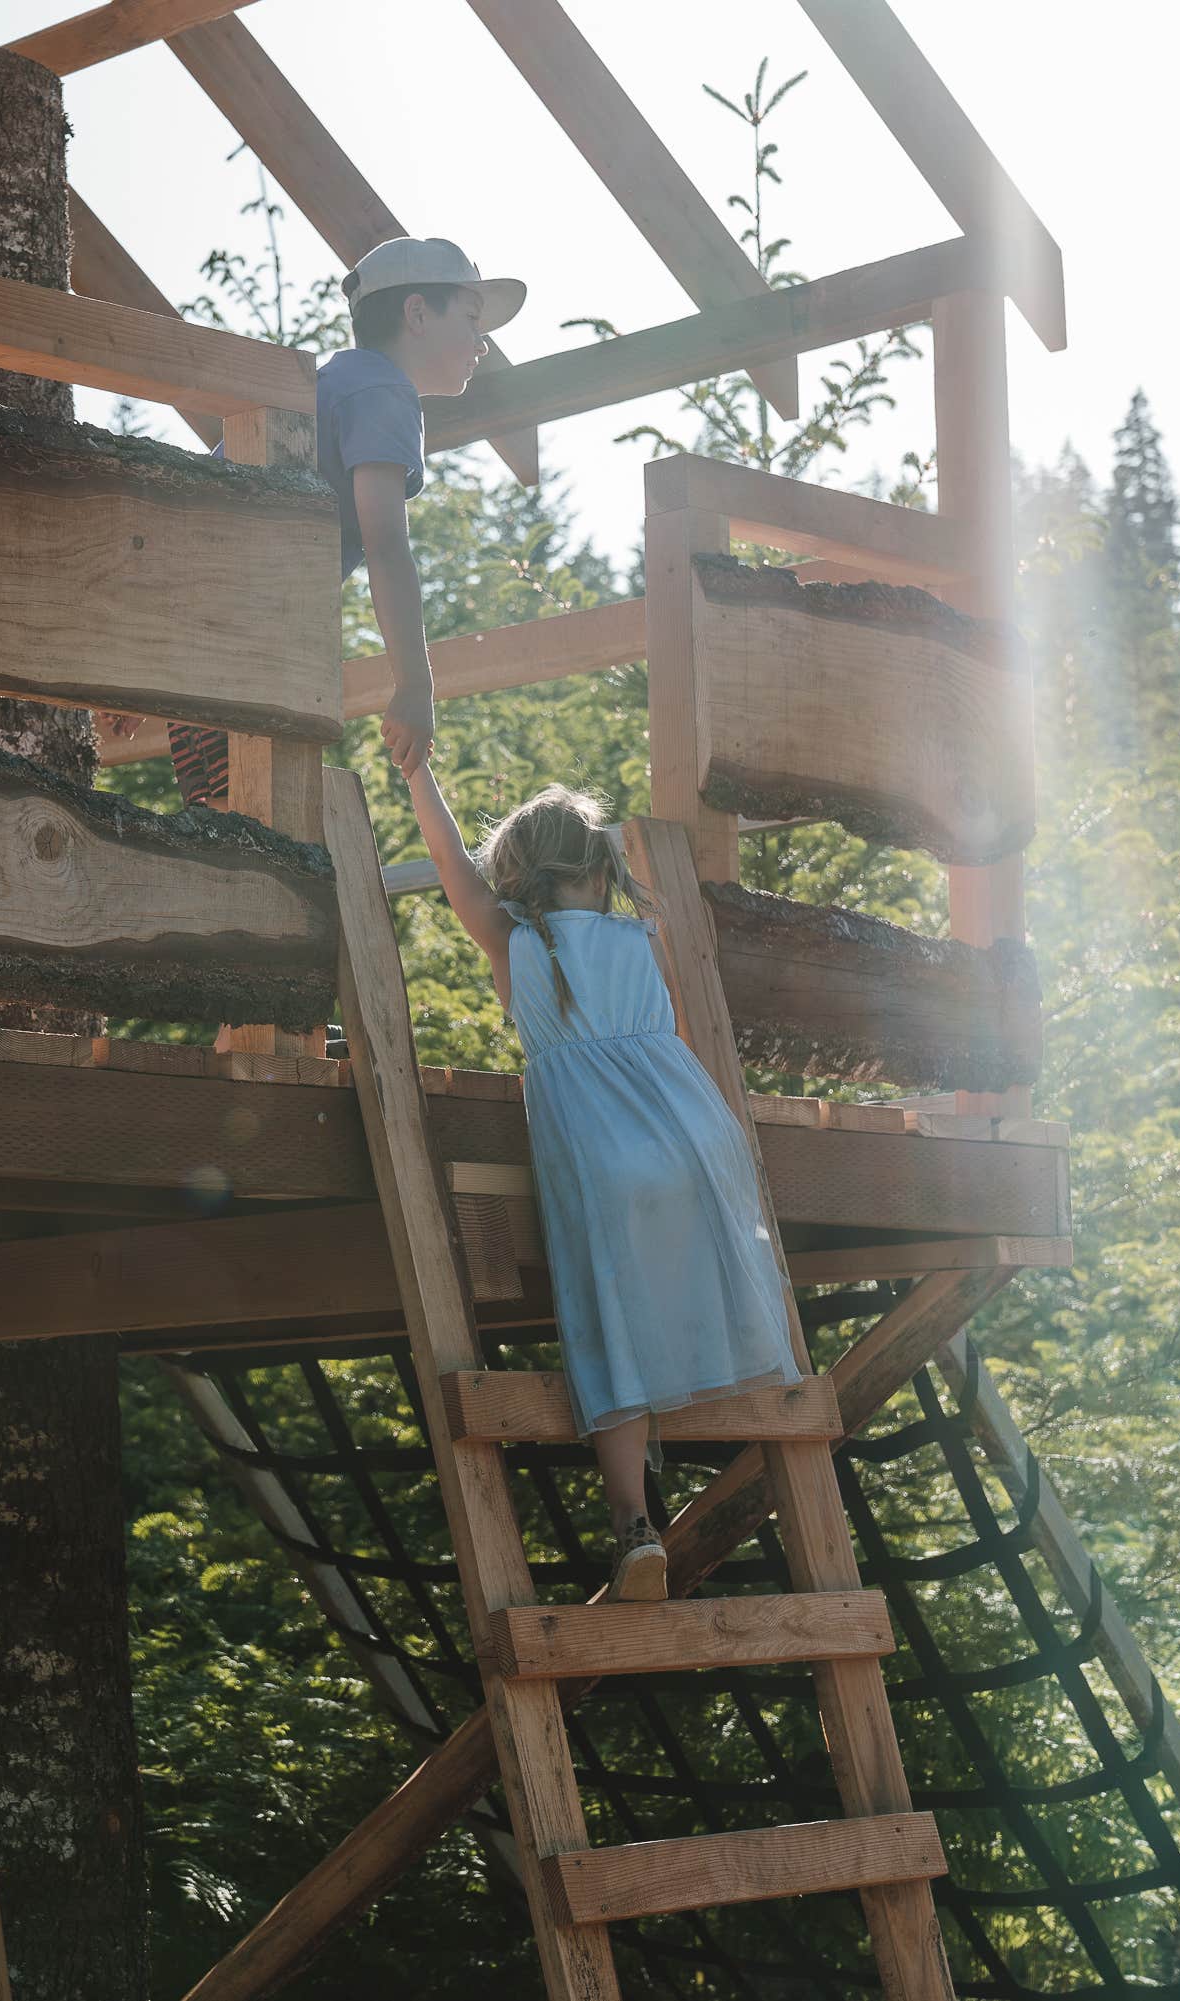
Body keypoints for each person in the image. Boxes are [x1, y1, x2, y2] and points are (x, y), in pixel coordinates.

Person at [395, 766, 805, 1601]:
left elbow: (447, 863)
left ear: (523, 880)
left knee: (609, 1314)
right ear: (597, 870)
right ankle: (731, 1409)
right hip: (695, 1136)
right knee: (693, 1269)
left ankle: (633, 1524)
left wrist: (418, 772)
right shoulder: (640, 940)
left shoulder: (516, 944)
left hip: (604, 1151)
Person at [168, 237, 527, 806]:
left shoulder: (335, 384)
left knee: (221, 815)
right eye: (471, 318)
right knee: (255, 821)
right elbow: (386, 547)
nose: (483, 343)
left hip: (191, 626)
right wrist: (414, 685)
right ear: (416, 314)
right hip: (238, 634)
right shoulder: (384, 391)